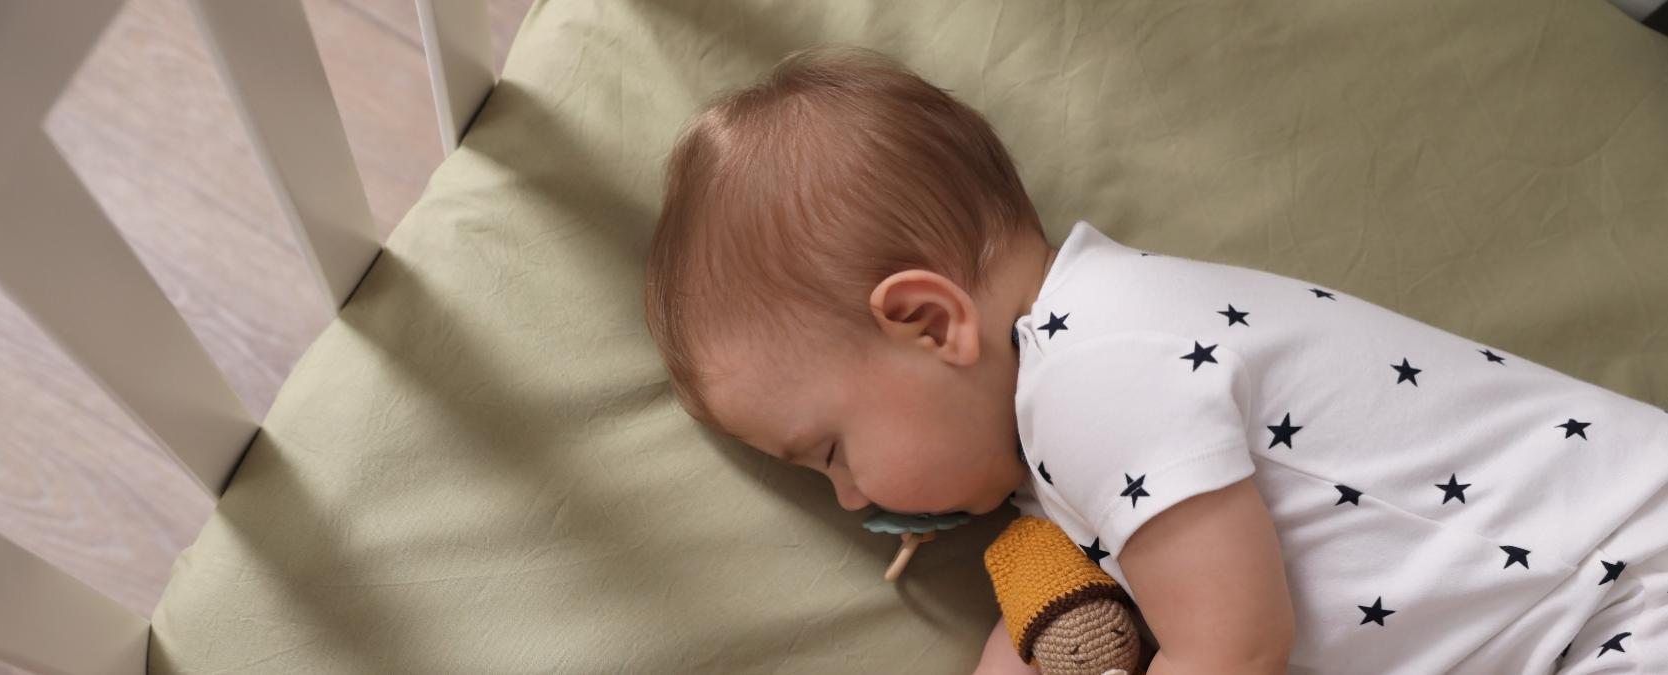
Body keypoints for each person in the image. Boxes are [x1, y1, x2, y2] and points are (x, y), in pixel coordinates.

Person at [642, 46, 1668, 674]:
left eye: (828, 450)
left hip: (1632, 596)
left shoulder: (1101, 369)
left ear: (926, 321)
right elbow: (1078, 620)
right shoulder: (1065, 442)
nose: (852, 501)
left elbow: (1228, 650)